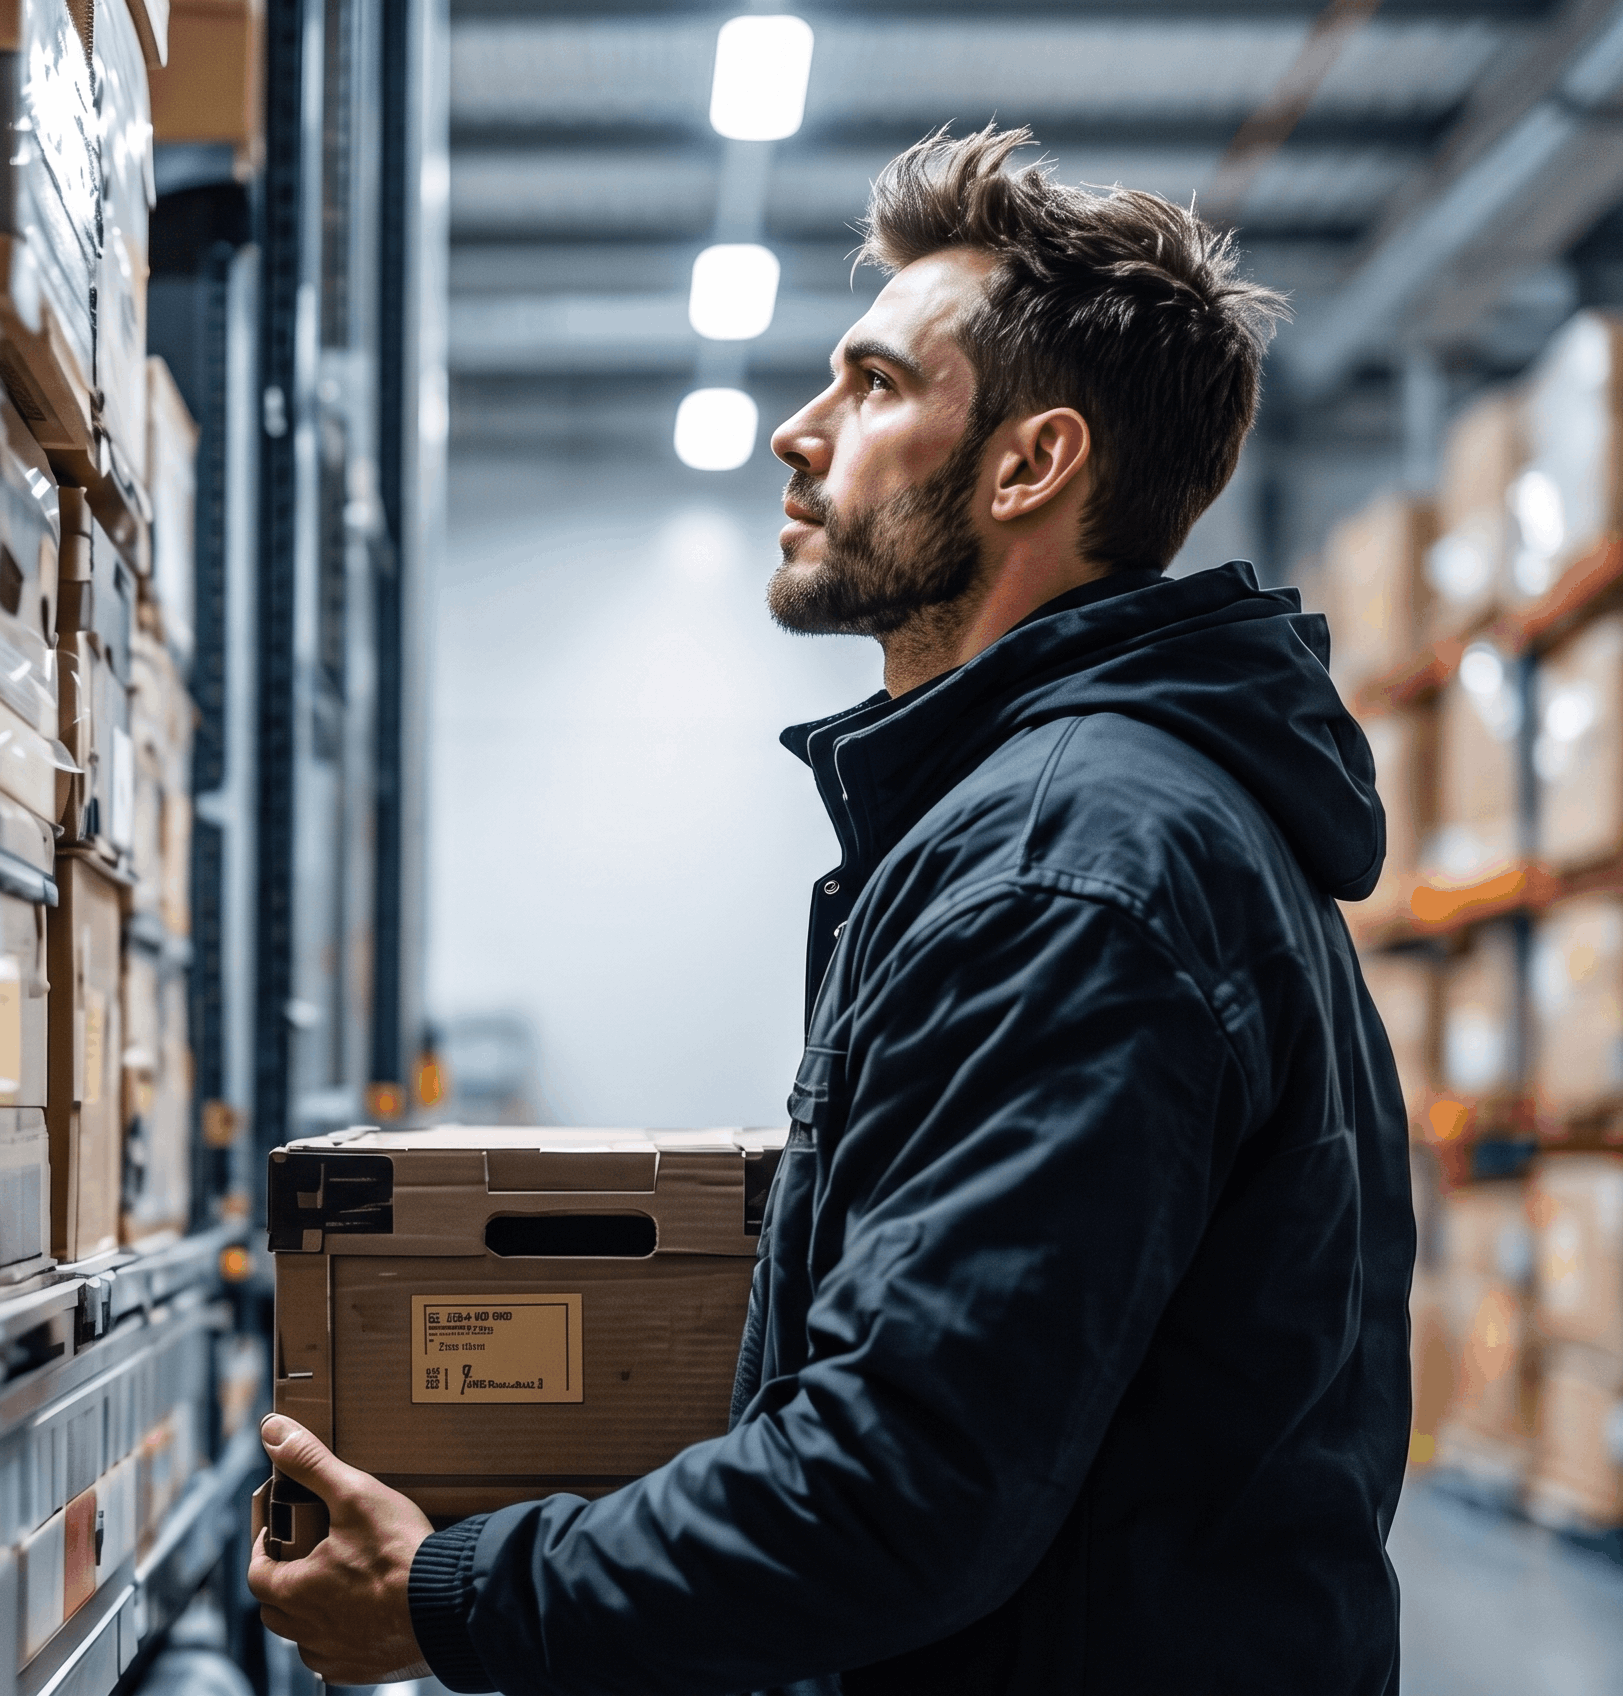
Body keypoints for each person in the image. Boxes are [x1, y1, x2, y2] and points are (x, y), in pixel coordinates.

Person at [246, 124, 1412, 1696]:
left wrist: (451, 1596)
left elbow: (898, 1487)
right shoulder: (1096, 820)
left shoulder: (1064, 867)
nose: (801, 432)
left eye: (872, 386)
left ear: (1028, 464)